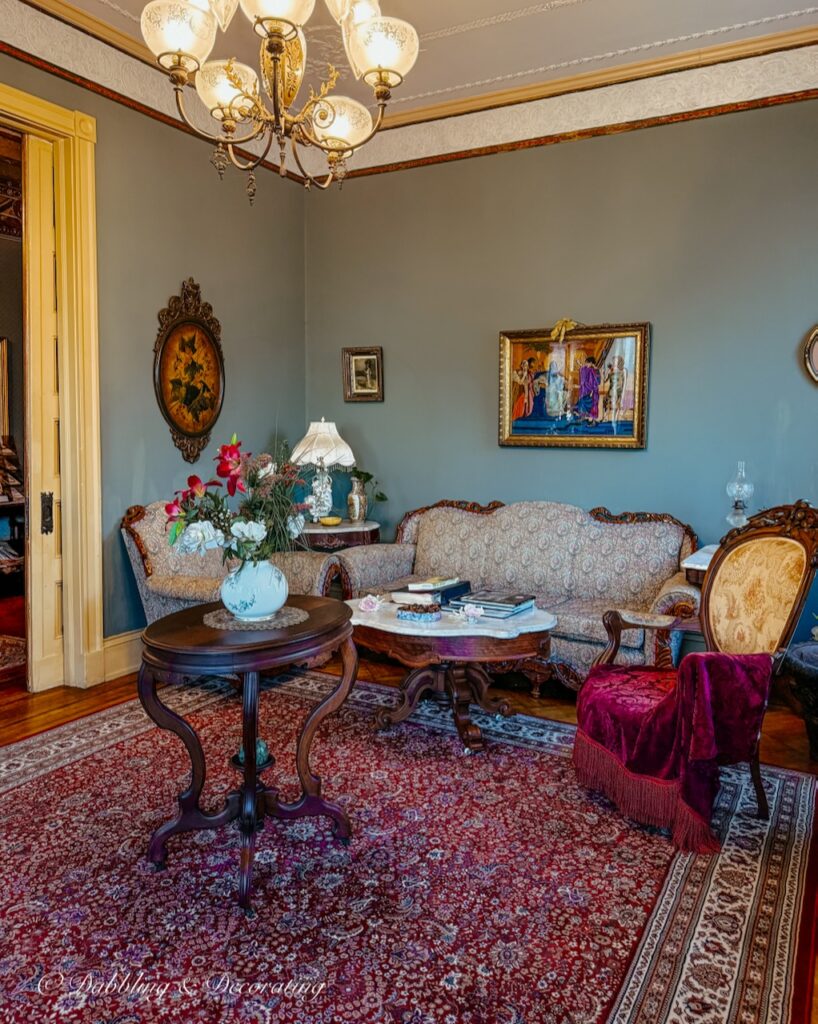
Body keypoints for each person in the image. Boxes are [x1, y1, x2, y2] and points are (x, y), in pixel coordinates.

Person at [575, 356, 600, 420]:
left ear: (591, 363)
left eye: (587, 363)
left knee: (593, 405)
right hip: (587, 390)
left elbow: (597, 382)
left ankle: (592, 421)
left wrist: (592, 390)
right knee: (582, 401)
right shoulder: (589, 369)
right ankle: (583, 417)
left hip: (593, 390)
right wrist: (579, 364)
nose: (586, 365)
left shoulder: (595, 370)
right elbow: (583, 369)